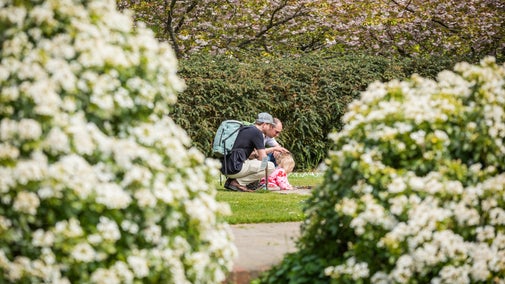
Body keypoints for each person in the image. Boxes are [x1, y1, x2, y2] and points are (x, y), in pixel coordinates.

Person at [222, 112, 276, 192]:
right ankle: (236, 182)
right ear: (264, 124)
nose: (269, 128)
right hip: (235, 168)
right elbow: (263, 158)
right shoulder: (257, 133)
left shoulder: (245, 128)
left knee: (255, 162)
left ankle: (231, 181)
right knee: (270, 166)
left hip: (225, 166)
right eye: (269, 126)